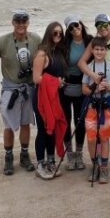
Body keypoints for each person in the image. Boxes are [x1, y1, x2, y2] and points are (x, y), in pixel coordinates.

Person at [0, 9, 40, 175]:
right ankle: (8, 156)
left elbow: (45, 57)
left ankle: (24, 154)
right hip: (10, 88)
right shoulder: (2, 41)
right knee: (8, 124)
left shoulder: (36, 39)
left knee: (25, 123)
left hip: (29, 88)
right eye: (18, 21)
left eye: (24, 21)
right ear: (13, 22)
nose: (21, 25)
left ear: (28, 23)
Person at [77, 13, 110, 168]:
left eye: (105, 25)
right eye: (99, 26)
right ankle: (99, 157)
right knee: (99, 124)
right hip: (97, 88)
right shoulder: (95, 42)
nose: (102, 28)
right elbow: (81, 63)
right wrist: (93, 77)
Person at [32, 21, 68, 180]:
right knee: (43, 129)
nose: (58, 36)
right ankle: (40, 163)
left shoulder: (58, 52)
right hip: (42, 97)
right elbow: (36, 78)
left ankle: (51, 160)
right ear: (48, 33)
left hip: (55, 97)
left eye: (60, 33)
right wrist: (56, 82)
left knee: (52, 128)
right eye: (55, 33)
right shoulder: (42, 54)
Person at [82, 37, 110, 184]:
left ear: (106, 51)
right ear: (92, 51)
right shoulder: (89, 67)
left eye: (102, 49)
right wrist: (95, 88)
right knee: (91, 138)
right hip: (92, 105)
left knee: (104, 137)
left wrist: (107, 87)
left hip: (106, 104)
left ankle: (104, 166)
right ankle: (95, 165)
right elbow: (84, 89)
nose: (99, 52)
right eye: (96, 49)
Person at [61, 15, 93, 171]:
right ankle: (69, 155)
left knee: (80, 121)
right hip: (66, 86)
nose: (74, 28)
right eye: (70, 27)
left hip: (83, 86)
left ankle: (79, 154)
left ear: (81, 23)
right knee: (65, 121)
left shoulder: (90, 40)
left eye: (76, 24)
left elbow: (104, 48)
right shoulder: (65, 43)